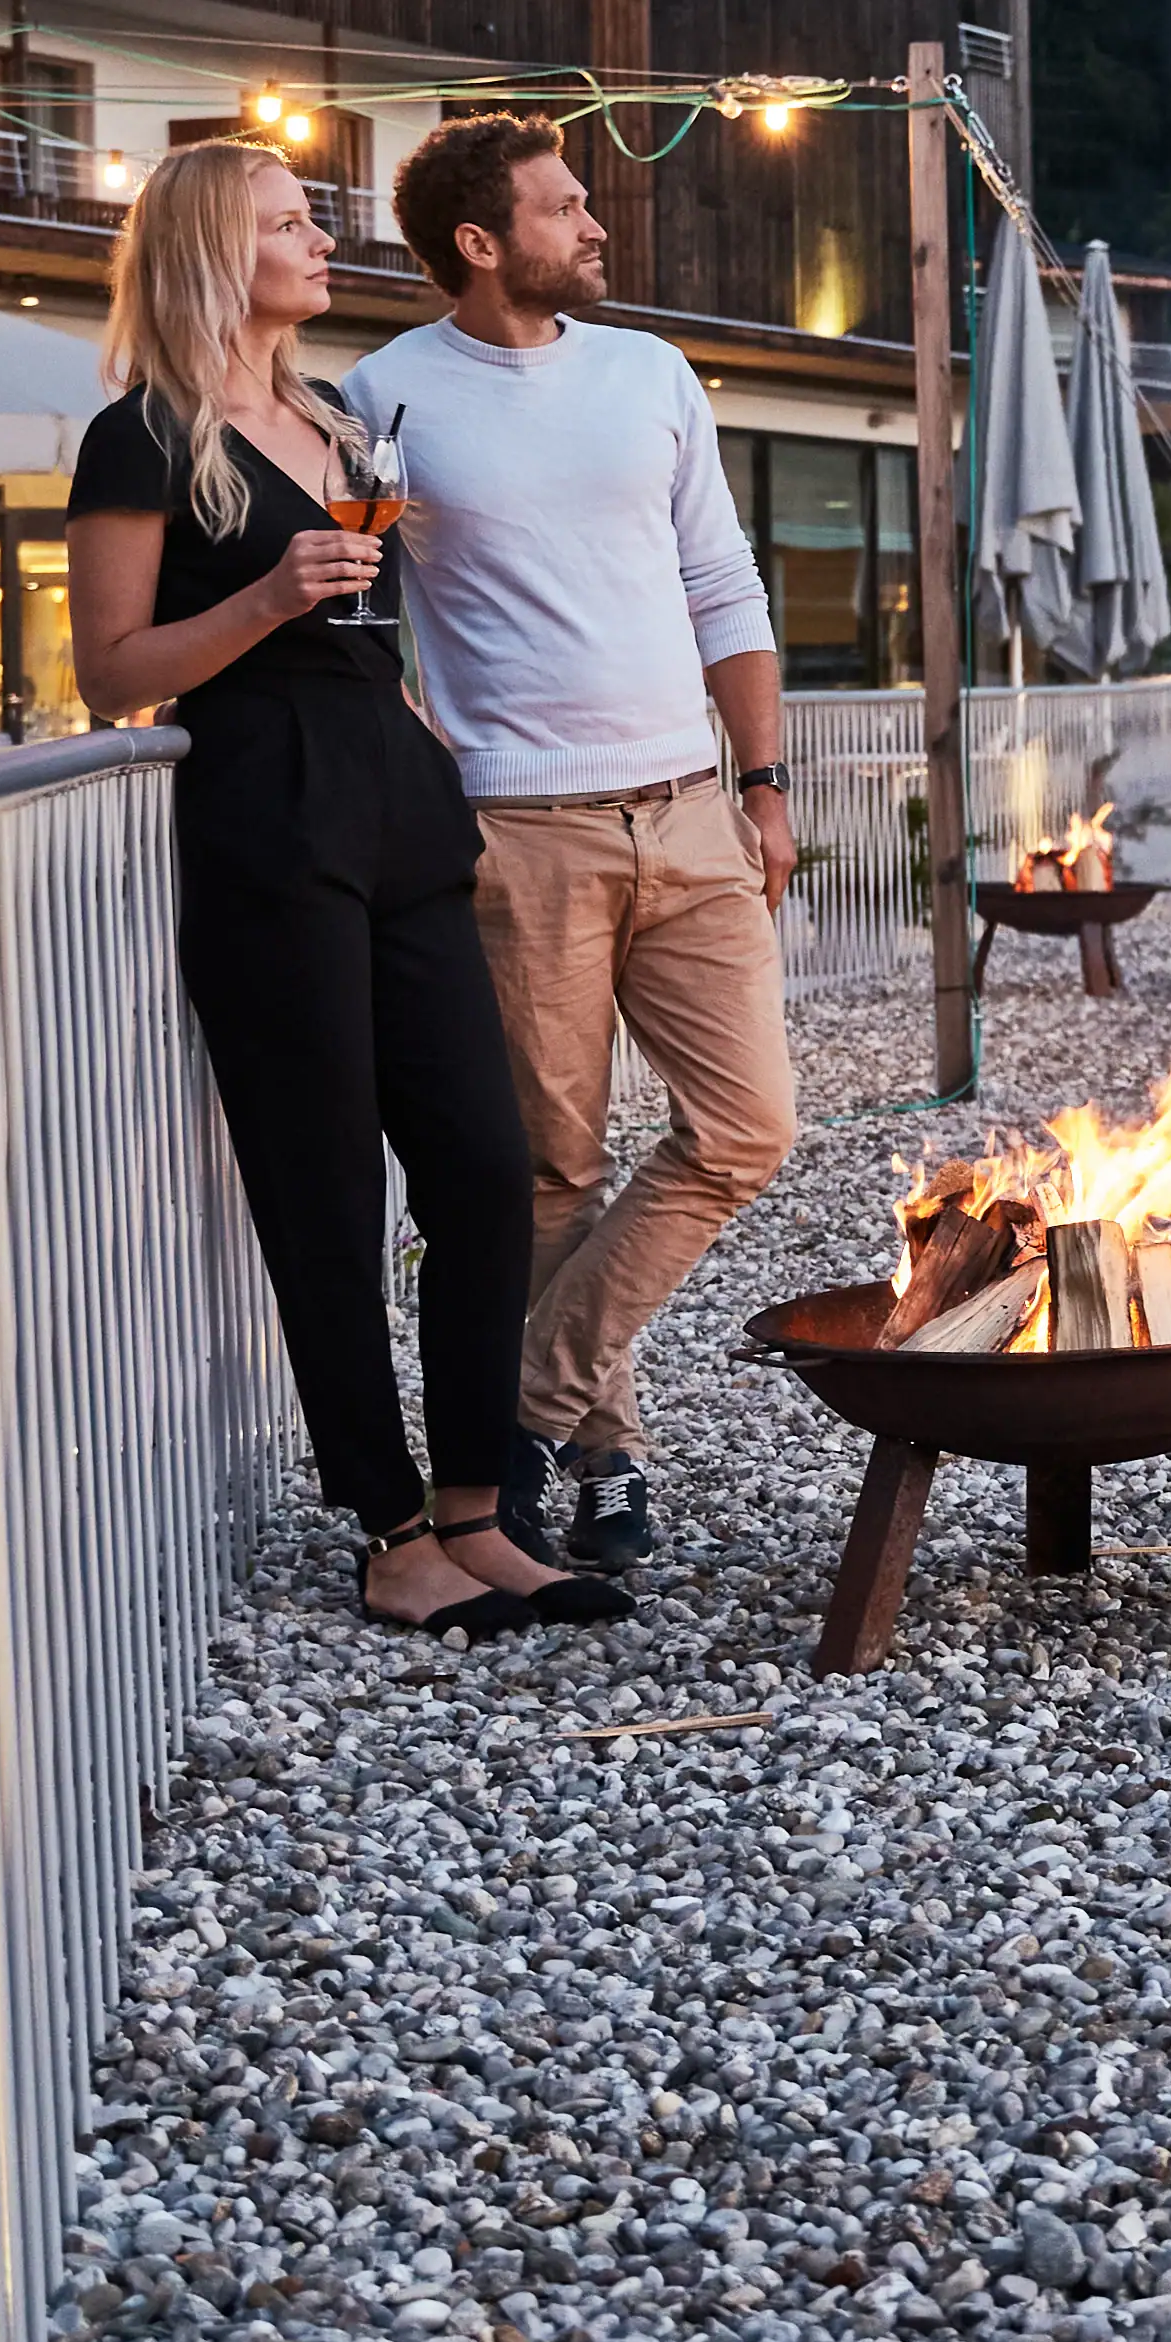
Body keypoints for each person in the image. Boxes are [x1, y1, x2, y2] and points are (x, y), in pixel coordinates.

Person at [65, 136, 611, 1637]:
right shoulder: (140, 440)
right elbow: (108, 673)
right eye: (290, 224)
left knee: (486, 1167)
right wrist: (264, 594)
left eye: (312, 219)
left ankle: (477, 1507)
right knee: (323, 1190)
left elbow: (376, 640)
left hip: (396, 808)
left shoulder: (334, 419)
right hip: (264, 817)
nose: (323, 241)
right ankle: (389, 1531)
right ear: (207, 255)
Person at [342, 115, 795, 1581]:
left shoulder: (651, 373)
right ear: (481, 243)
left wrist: (767, 781)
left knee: (745, 1129)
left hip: (688, 807)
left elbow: (720, 582)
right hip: (518, 831)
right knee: (553, 1172)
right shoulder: (383, 398)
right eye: (565, 207)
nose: (596, 228)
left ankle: (517, 1413)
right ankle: (605, 1458)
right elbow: (356, 613)